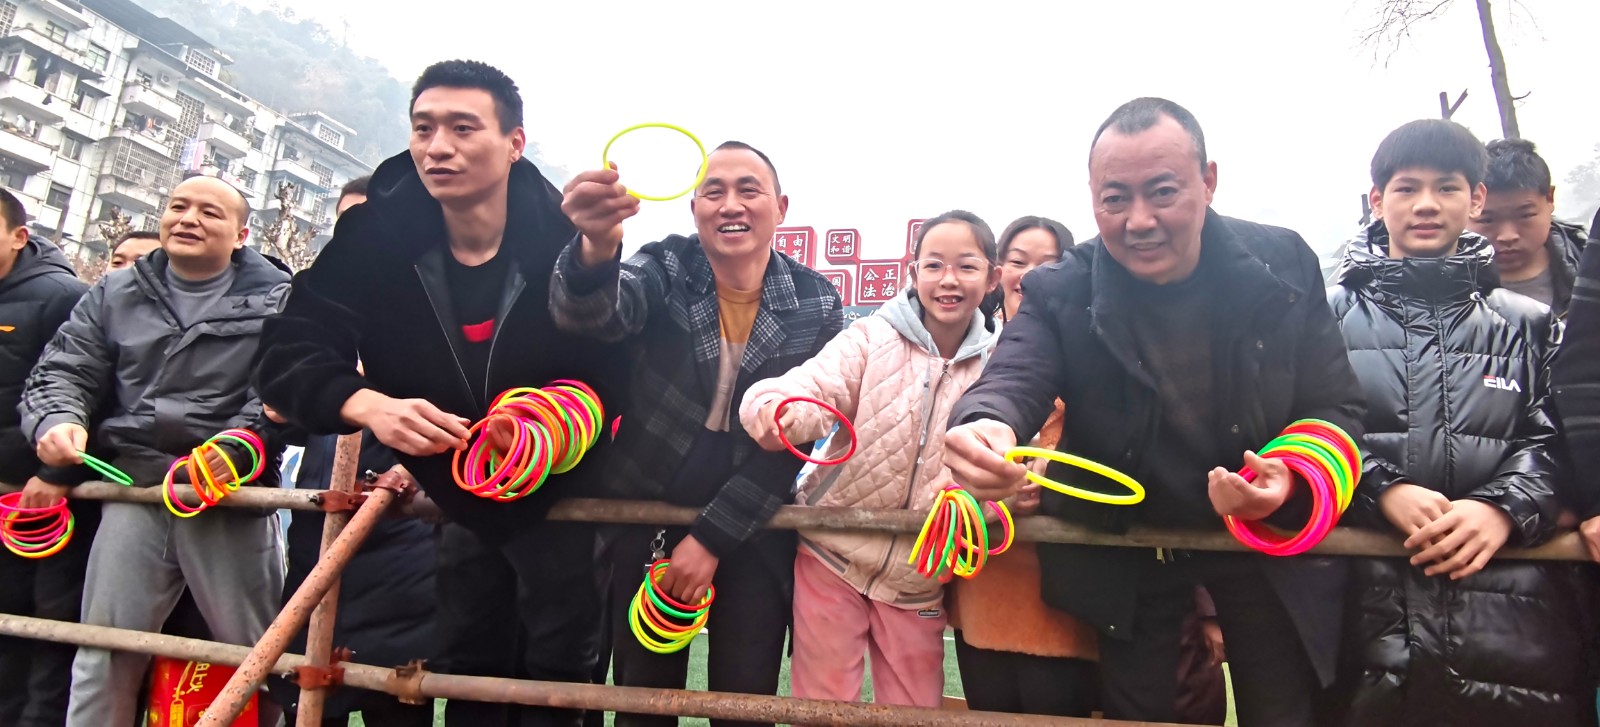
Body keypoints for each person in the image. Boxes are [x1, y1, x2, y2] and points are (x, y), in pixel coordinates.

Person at [941, 97, 1366, 726]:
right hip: (1134, 554)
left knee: (1289, 711)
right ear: (1092, 198)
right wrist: (986, 425)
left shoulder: (1284, 263)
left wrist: (1290, 477)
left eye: (1163, 192)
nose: (1139, 221)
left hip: (1267, 546)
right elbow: (1014, 376)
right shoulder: (1063, 285)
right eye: (1115, 199)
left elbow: (1335, 404)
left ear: (1208, 181)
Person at [253, 61, 629, 727]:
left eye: (463, 127)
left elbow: (609, 363)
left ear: (514, 143)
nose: (438, 147)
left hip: (566, 495)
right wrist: (368, 405)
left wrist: (597, 255)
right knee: (468, 667)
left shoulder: (562, 231)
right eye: (423, 128)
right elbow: (287, 351)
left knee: (561, 677)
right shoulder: (374, 235)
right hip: (455, 493)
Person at [553, 141, 843, 725]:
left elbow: (792, 447)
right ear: (694, 209)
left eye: (748, 190)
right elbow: (596, 316)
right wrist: (596, 248)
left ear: (781, 207)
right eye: (714, 192)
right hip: (646, 504)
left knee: (745, 700)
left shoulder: (816, 301)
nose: (730, 204)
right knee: (641, 701)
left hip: (753, 514)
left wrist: (708, 540)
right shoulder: (666, 266)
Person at [1326, 119, 1593, 726]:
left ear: (1475, 199)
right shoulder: (1327, 317)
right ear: (1377, 200)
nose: (1426, 204)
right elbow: (1305, 427)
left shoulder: (1529, 325)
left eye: (1446, 187)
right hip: (1364, 616)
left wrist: (1503, 508)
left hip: (1516, 621)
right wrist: (1380, 488)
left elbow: (1558, 439)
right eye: (1407, 188)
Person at [20, 174, 290, 727]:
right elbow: (65, 370)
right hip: (134, 489)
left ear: (241, 235)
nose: (189, 219)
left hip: (230, 499)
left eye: (209, 212)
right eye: (178, 206)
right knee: (103, 652)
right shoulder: (114, 292)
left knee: (256, 657)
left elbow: (283, 391)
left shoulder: (281, 300)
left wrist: (238, 446)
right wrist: (58, 421)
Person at [736, 210, 999, 708]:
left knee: (914, 710)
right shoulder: (871, 337)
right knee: (822, 707)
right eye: (934, 265)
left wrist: (1017, 487)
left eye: (966, 266)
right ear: (913, 273)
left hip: (921, 576)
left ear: (992, 278)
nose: (948, 279)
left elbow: (1019, 451)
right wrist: (775, 408)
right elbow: (812, 386)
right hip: (830, 555)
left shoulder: (1000, 365)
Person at [267, 174, 439, 727]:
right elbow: (272, 416)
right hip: (318, 528)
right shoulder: (314, 316)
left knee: (396, 692)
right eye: (350, 225)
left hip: (404, 534)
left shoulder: (440, 307)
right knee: (308, 690)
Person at [942, 215, 1103, 718]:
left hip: (1062, 591)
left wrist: (1054, 484)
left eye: (1049, 264)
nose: (1031, 275)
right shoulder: (964, 352)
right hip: (983, 583)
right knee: (988, 708)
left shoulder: (1094, 355)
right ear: (998, 273)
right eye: (1018, 261)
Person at [0, 188, 91, 727]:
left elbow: (82, 386)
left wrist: (53, 471)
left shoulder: (62, 296)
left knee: (42, 623)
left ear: (19, 236)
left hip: (38, 500)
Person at [1467, 138, 1588, 315]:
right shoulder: (1436, 291)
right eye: (1487, 220)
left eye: (1525, 216)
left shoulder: (1590, 268)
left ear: (1549, 198)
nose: (1508, 236)